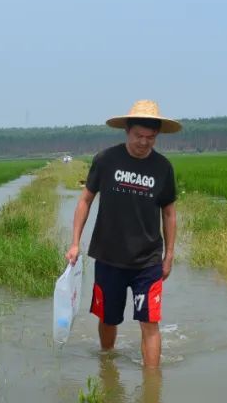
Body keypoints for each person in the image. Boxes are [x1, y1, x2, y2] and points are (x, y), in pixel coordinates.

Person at [65, 99, 179, 368]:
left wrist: (169, 255)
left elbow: (169, 213)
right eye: (139, 135)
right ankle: (108, 365)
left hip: (148, 260)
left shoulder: (163, 168)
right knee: (108, 318)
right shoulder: (106, 160)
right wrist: (74, 243)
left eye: (150, 138)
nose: (144, 142)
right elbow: (85, 200)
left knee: (150, 322)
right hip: (109, 257)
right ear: (127, 131)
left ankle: (153, 386)